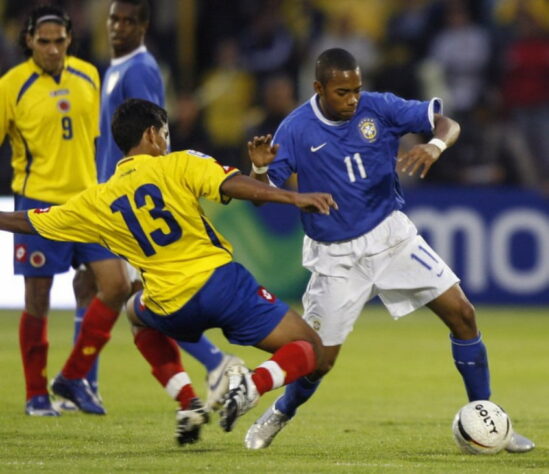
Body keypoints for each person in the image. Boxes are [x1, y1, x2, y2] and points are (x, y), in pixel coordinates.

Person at [245, 48, 534, 453]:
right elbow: (262, 196)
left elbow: (447, 124)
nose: (352, 99)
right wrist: (259, 170)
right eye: (342, 92)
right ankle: (279, 413)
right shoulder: (294, 129)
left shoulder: (378, 107)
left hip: (391, 236)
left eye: (356, 90)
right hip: (336, 256)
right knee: (320, 360)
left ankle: (488, 418)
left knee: (463, 313)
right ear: (318, 88)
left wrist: (435, 145)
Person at [0, 97, 338, 444]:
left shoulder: (97, 200)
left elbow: (31, 221)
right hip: (221, 287)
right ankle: (254, 384)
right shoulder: (179, 163)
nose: (167, 141)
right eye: (164, 133)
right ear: (151, 135)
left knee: (134, 313)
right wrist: (292, 197)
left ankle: (187, 401)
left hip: (169, 305)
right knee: (310, 349)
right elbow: (234, 186)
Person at [69, 0, 242, 410]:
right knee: (91, 285)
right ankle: (81, 383)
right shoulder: (114, 69)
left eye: (128, 21)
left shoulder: (141, 69)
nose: (118, 27)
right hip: (110, 197)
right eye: (113, 19)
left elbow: (154, 134)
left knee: (136, 293)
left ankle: (216, 364)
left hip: (129, 203)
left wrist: (159, 192)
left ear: (144, 27)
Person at [0, 4, 130, 417]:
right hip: (36, 202)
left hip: (87, 202)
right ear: (29, 42)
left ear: (70, 39)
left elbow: (98, 141)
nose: (53, 50)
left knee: (114, 286)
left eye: (59, 41)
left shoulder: (89, 76)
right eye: (44, 42)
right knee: (37, 298)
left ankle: (74, 379)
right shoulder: (11, 86)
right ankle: (36, 394)